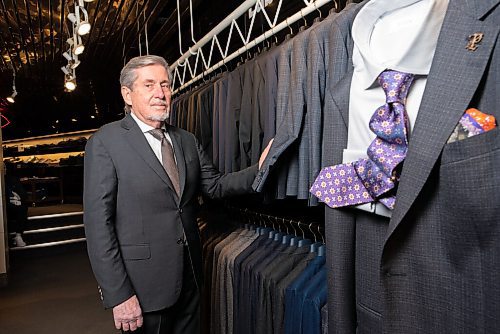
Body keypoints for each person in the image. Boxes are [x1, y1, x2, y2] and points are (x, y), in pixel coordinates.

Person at [83, 55, 272, 334]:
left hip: (190, 277)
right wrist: (119, 294)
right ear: (127, 94)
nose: (160, 93)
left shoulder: (185, 140)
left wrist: (259, 169)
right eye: (149, 85)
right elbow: (99, 226)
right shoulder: (106, 142)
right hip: (143, 287)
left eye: (165, 85)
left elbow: (215, 185)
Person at [4, 164, 28, 248]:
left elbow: (23, 194)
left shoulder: (12, 179)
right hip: (4, 204)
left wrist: (18, 199)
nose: (4, 169)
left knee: (22, 208)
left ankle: (18, 236)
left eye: (4, 167)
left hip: (14, 205)